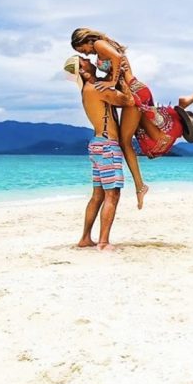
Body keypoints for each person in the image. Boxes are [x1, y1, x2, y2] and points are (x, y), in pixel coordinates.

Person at [70, 28, 193, 209]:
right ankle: (180, 108)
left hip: (132, 91)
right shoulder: (102, 46)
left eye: (82, 50)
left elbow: (116, 58)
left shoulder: (99, 44)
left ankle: (140, 186)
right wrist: (108, 81)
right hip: (135, 88)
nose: (85, 54)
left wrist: (110, 82)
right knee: (150, 131)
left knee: (126, 142)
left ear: (84, 40)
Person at [63, 55, 134, 251]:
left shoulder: (88, 90)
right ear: (82, 70)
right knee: (113, 194)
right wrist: (121, 76)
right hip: (107, 146)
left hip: (97, 145)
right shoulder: (95, 89)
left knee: (98, 196)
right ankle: (103, 242)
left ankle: (85, 238)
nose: (88, 58)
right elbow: (128, 100)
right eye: (83, 59)